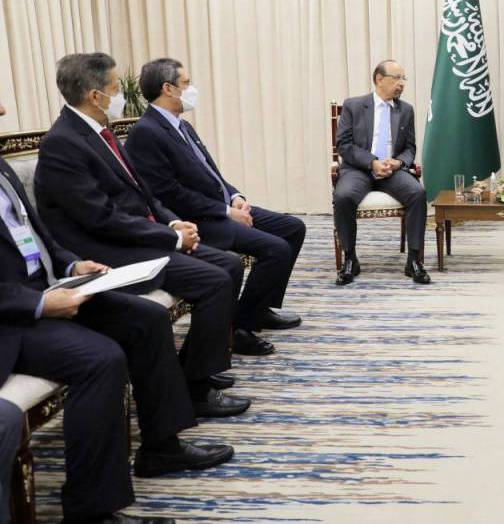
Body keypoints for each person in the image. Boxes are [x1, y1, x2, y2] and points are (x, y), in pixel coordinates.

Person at [1, 98, 231, 523]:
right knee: (101, 360)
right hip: (13, 316)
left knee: (146, 319)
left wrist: (71, 266)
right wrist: (39, 303)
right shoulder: (62, 144)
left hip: (53, 288)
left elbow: (36, 233)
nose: (2, 109)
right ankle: (90, 511)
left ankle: (161, 447)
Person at [32, 53, 249, 416]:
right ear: (94, 95)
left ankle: (192, 369)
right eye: (116, 88)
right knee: (214, 281)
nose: (120, 96)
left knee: (229, 265)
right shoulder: (63, 143)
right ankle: (196, 390)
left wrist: (173, 224)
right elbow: (101, 217)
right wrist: (171, 238)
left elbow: (144, 193)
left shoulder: (101, 130)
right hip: (108, 251)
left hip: (140, 237)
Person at [126, 58, 306, 355]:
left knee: (293, 227)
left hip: (219, 207)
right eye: (186, 83)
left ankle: (258, 309)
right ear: (168, 88)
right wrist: (225, 212)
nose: (192, 89)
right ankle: (241, 329)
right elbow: (168, 194)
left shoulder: (181, 125)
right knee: (276, 249)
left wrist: (235, 196)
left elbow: (211, 174)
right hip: (197, 220)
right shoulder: (147, 132)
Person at [333, 60, 429, 285]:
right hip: (359, 169)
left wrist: (398, 162)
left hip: (392, 171)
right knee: (343, 196)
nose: (401, 83)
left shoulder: (406, 110)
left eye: (404, 79)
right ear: (379, 79)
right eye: (397, 78)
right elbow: (344, 145)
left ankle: (414, 260)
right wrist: (372, 162)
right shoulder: (354, 106)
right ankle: (350, 259)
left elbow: (410, 148)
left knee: (417, 193)